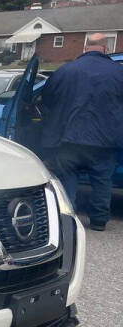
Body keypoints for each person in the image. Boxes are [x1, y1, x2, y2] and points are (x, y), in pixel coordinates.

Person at [40, 33, 123, 231]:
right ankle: (99, 221)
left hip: (69, 138)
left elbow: (47, 99)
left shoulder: (65, 70)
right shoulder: (118, 72)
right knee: (102, 180)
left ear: (85, 48)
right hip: (105, 140)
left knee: (68, 178)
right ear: (105, 49)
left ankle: (69, 220)